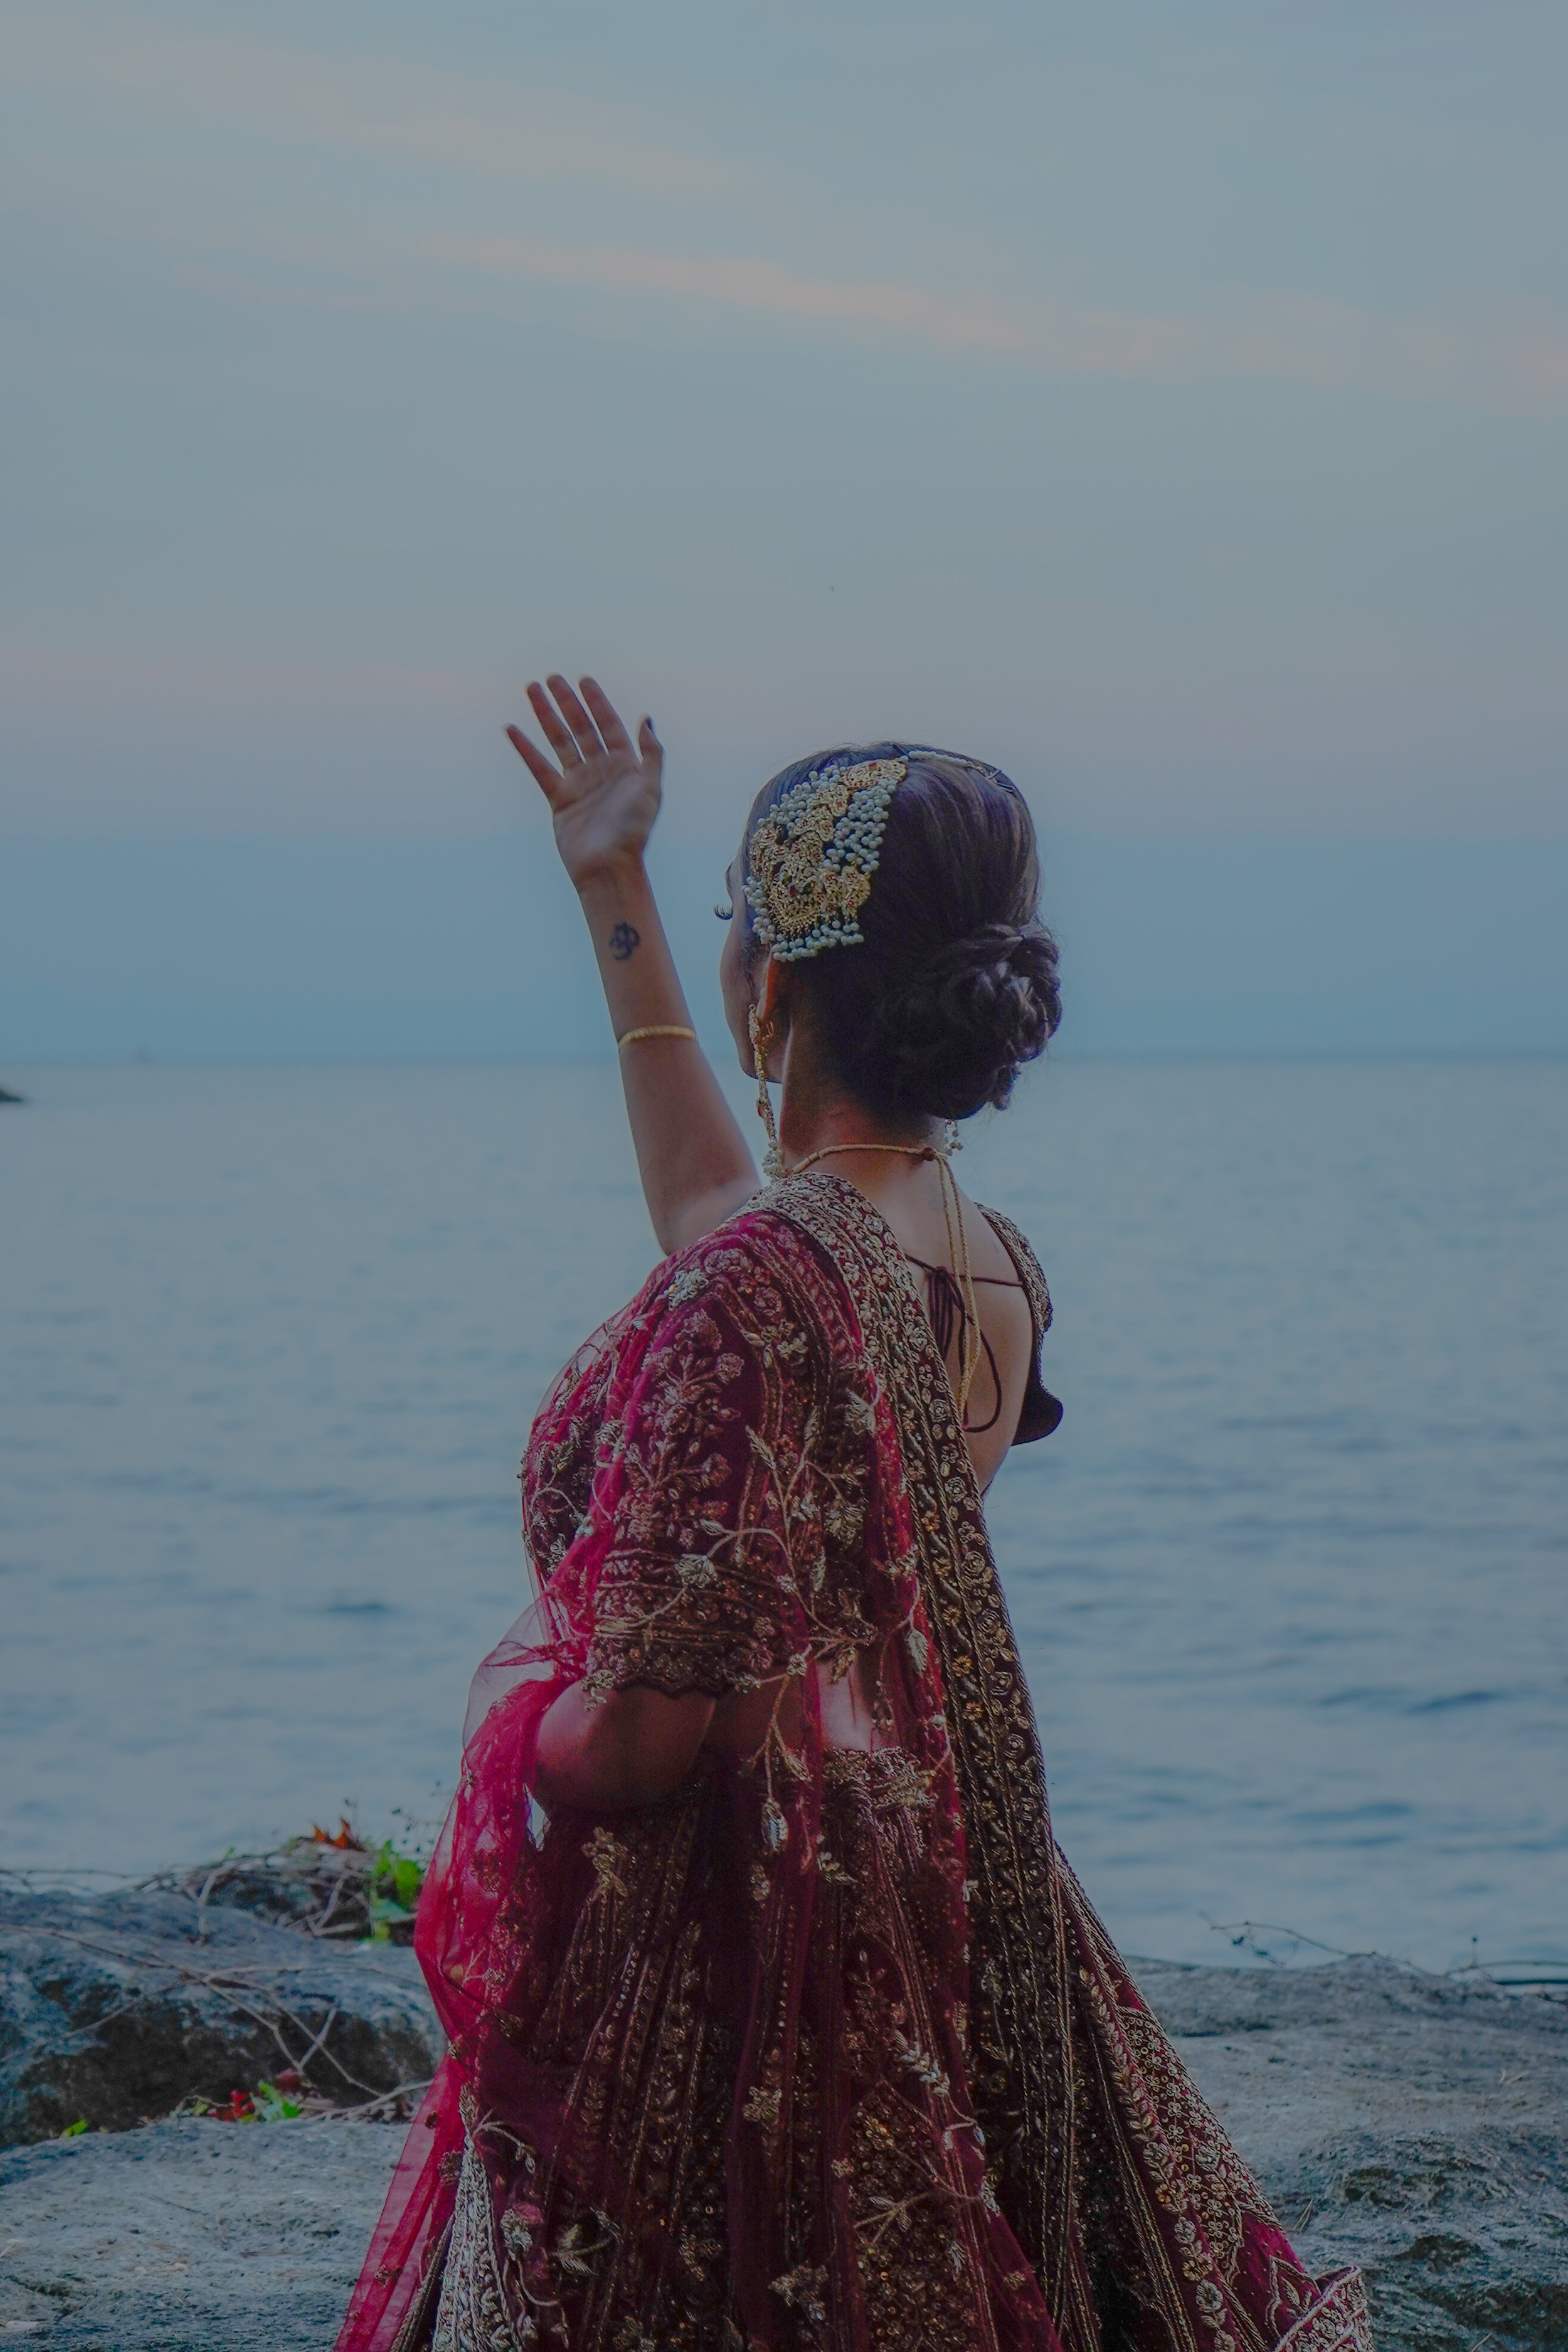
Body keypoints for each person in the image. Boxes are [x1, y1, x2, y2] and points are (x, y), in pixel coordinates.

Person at [335, 677, 1370, 2352]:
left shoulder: (761, 1293)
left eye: (734, 932)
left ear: (772, 979)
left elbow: (652, 1739)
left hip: (741, 1951)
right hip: (935, 1881)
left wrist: (525, 1733)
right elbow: (715, 1214)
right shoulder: (976, 1256)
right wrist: (612, 890)